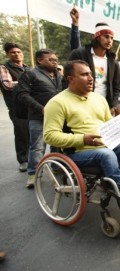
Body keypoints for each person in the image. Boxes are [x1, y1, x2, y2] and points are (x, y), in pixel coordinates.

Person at [43, 60, 120, 223]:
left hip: (105, 146)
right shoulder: (57, 103)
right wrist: (82, 138)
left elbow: (109, 123)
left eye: (91, 74)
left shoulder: (98, 99)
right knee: (106, 154)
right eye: (84, 74)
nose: (90, 78)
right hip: (78, 153)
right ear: (70, 79)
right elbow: (50, 136)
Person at [15, 48, 63, 188]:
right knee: (37, 147)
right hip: (37, 117)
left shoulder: (59, 75)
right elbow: (22, 94)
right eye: (51, 59)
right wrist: (40, 108)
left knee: (57, 144)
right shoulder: (30, 74)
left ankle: (56, 167)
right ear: (39, 60)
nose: (54, 62)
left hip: (56, 117)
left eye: (56, 60)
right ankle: (33, 174)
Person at [68, 19, 120, 115]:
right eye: (106, 37)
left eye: (112, 38)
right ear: (97, 37)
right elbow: (67, 80)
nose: (110, 41)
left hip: (104, 108)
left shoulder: (113, 61)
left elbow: (116, 87)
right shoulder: (80, 54)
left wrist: (113, 105)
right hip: (80, 105)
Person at [0, 42, 29, 172]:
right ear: (8, 54)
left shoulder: (27, 68)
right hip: (16, 107)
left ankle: (34, 158)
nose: (17, 54)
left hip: (30, 105)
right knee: (21, 132)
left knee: (32, 132)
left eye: (18, 52)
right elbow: (7, 85)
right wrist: (26, 83)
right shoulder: (3, 67)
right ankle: (23, 160)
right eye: (13, 52)